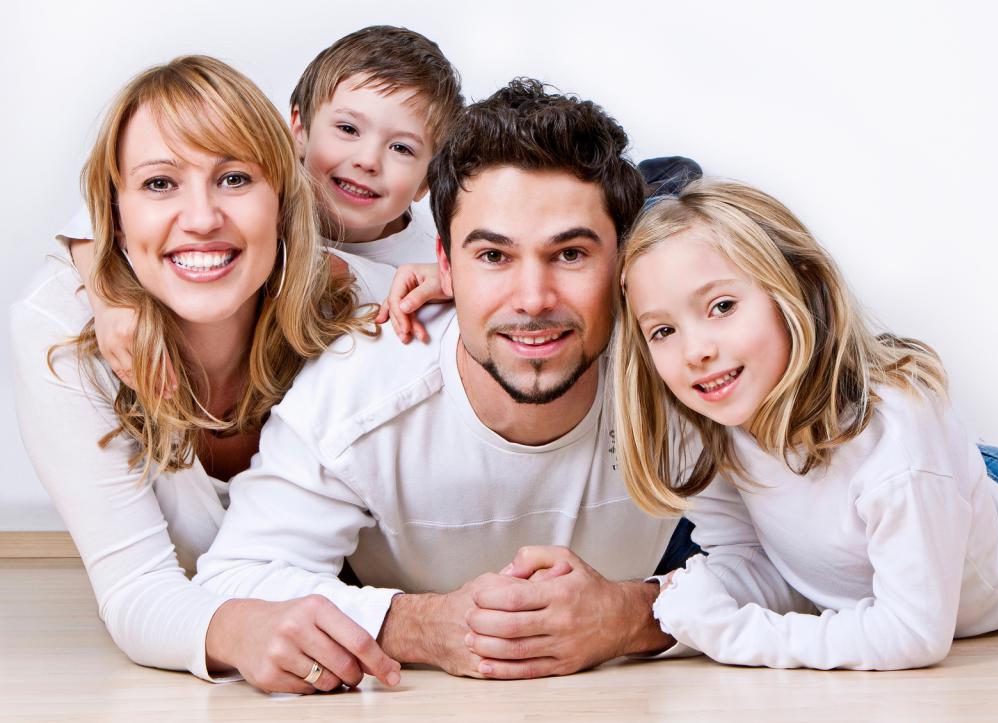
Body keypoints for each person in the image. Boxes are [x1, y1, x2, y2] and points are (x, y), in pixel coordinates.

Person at [194, 79, 807, 683]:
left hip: (657, 581)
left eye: (570, 254)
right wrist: (418, 626)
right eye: (492, 256)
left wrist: (632, 616)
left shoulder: (686, 362)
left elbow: (801, 566)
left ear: (621, 261)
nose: (533, 299)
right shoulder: (356, 391)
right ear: (444, 265)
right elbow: (231, 583)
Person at [11, 55, 402, 693]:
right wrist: (238, 630)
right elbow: (136, 589)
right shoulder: (62, 333)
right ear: (114, 212)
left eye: (235, 178)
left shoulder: (365, 306)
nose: (200, 218)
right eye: (160, 184)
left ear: (283, 198)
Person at [613, 178, 998, 670]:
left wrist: (734, 634)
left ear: (799, 288)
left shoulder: (895, 440)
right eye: (663, 330)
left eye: (722, 306)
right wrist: (685, 600)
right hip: (941, 485)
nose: (696, 350)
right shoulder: (712, 424)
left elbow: (912, 634)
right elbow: (756, 561)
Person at [64, 25, 464, 387]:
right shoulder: (255, 185)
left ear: (427, 182)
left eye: (401, 148)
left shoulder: (431, 252)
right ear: (298, 131)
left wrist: (453, 281)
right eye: (347, 129)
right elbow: (97, 217)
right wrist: (109, 301)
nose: (368, 160)